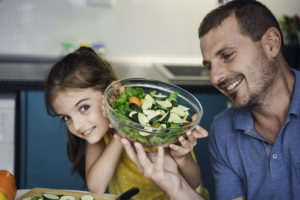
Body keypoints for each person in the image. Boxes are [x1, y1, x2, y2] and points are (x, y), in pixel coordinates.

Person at [118, 1, 300, 200]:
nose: (215, 78)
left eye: (227, 55)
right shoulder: (223, 129)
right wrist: (175, 185)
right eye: (209, 66)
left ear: (271, 43)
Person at [44, 46, 207, 200]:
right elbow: (96, 187)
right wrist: (121, 133)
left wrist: (183, 157)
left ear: (113, 94)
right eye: (66, 118)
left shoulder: (154, 125)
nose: (77, 125)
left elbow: (193, 183)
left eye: (84, 107)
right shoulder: (98, 134)